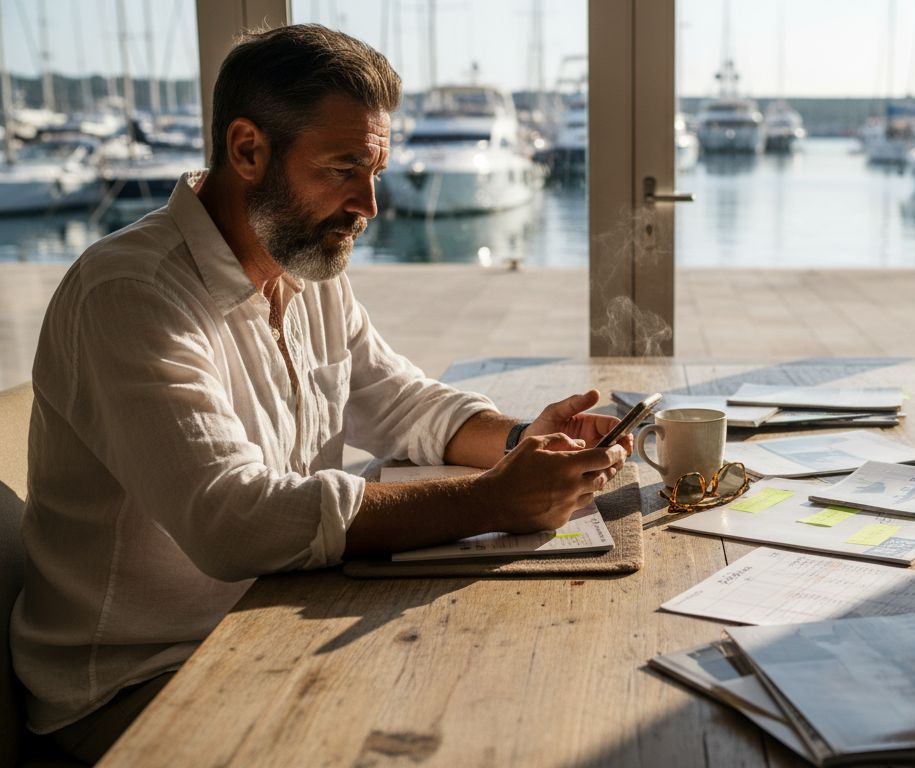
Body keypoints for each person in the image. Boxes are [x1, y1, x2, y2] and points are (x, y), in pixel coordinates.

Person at [10, 25, 629, 764]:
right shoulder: (130, 295)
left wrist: (521, 442)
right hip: (142, 685)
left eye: (374, 172)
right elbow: (231, 520)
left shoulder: (300, 266)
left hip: (274, 625)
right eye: (342, 169)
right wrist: (492, 501)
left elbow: (398, 401)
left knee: (520, 696)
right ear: (247, 150)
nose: (368, 204)